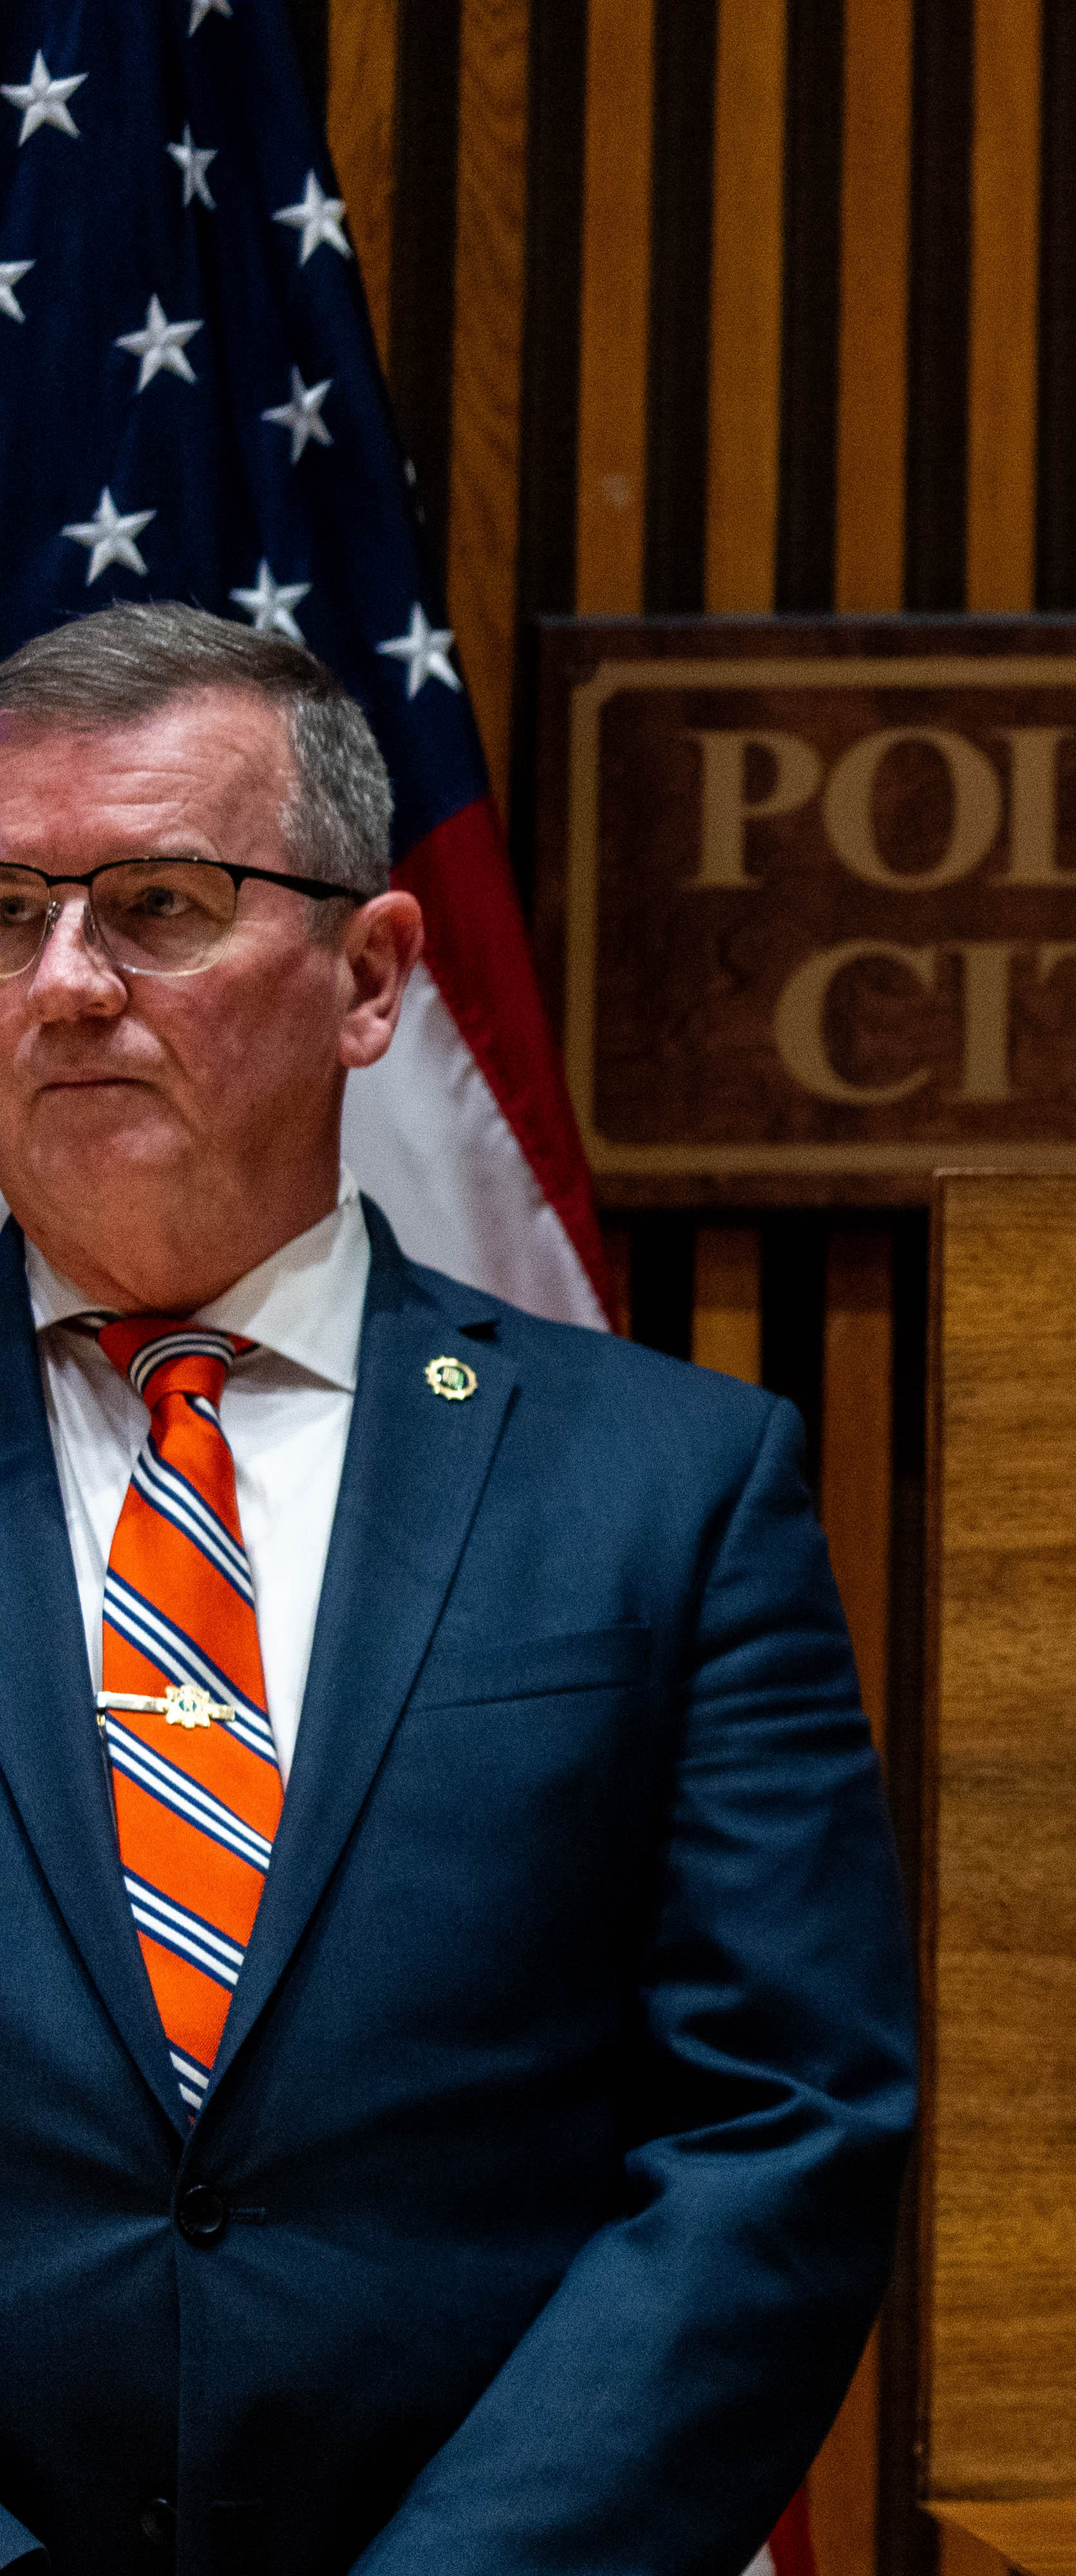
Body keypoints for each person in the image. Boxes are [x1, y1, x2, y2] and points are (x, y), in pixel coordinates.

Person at [0, 605, 915, 2575]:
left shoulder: (668, 1488)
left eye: (156, 904)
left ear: (371, 973)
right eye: (5, 914)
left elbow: (781, 2126)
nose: (66, 983)